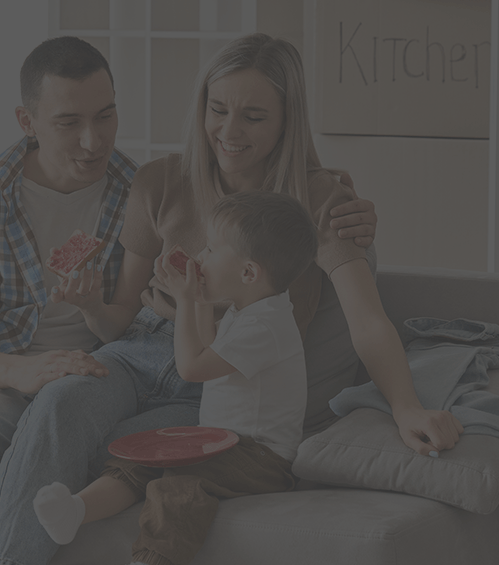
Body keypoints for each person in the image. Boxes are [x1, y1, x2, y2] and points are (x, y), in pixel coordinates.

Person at [0, 36, 373, 565]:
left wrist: (340, 205)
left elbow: (142, 319)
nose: (93, 139)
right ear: (27, 121)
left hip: (48, 383)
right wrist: (17, 368)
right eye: (69, 122)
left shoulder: (136, 192)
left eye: (106, 116)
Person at [0, 34, 460, 565]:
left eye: (254, 117)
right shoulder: (159, 181)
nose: (229, 133)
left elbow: (366, 320)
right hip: (137, 349)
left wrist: (406, 407)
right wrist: (92, 306)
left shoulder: (321, 201)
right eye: (217, 110)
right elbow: (120, 322)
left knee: (114, 450)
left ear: (287, 119)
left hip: (216, 377)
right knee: (57, 407)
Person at [33, 190, 318, 565]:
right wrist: (199, 300)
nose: (202, 258)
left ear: (248, 273)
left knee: (179, 486)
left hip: (260, 457)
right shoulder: (249, 309)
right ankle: (76, 510)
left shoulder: (267, 327)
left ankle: (153, 559)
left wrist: (184, 302)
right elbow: (209, 344)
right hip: (223, 442)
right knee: (140, 456)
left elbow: (192, 367)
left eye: (212, 251)